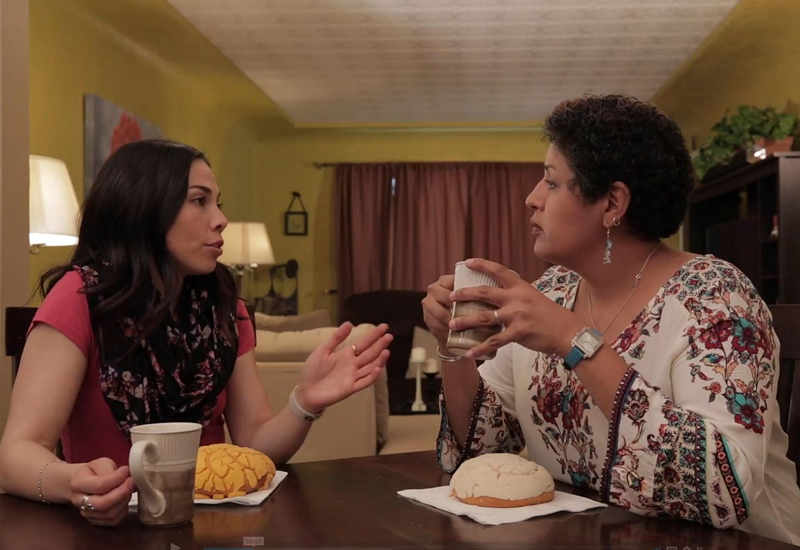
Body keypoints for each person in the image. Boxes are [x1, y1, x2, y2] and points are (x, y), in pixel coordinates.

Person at [422, 95, 800, 544]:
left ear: (612, 202)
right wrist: (454, 347)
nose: (532, 199)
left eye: (551, 182)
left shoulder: (715, 298)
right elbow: (480, 454)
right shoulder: (552, 292)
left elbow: (721, 489)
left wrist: (573, 340)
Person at [0, 139, 392, 526]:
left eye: (218, 202)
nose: (221, 219)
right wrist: (73, 483)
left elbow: (255, 445)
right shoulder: (81, 297)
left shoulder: (223, 305)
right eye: (199, 200)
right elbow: (17, 453)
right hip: (111, 529)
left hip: (210, 526)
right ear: (145, 209)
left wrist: (304, 403)